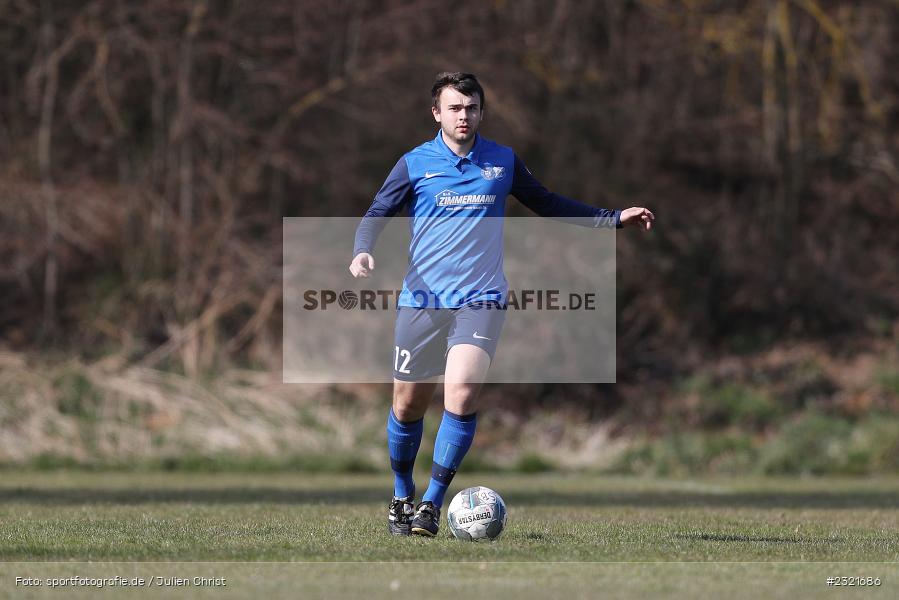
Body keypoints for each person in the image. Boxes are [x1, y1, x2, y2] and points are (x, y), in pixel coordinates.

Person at [349, 72, 654, 537]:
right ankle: (400, 495)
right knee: (408, 405)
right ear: (437, 114)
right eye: (454, 108)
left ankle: (430, 504)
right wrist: (362, 249)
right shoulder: (414, 163)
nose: (464, 115)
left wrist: (613, 219)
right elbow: (377, 213)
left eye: (471, 107)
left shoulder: (503, 162)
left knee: (463, 393)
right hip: (423, 301)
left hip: (482, 298)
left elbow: (548, 203)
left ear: (481, 112)